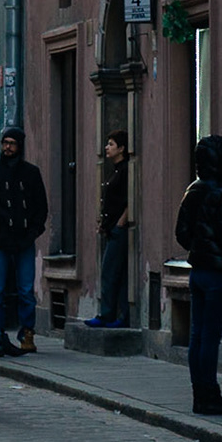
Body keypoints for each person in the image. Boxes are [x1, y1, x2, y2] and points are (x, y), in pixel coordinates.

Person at [175, 135, 222, 415]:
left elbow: (181, 233)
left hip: (198, 273)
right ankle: (209, 395)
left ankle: (200, 394)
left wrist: (199, 249)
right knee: (210, 337)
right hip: (219, 274)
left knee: (197, 336)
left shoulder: (194, 189)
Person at [0, 125, 47, 357]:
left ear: (20, 146)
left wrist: (33, 232)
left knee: (26, 290)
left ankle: (27, 332)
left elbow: (41, 206)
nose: (7, 147)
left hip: (24, 240)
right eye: (5, 143)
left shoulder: (31, 173)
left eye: (12, 143)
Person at [85, 131, 131, 328]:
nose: (106, 147)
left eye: (111, 144)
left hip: (119, 230)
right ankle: (119, 315)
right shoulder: (116, 170)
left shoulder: (126, 169)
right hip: (111, 229)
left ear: (121, 148)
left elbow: (130, 199)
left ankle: (108, 315)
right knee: (117, 273)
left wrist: (121, 222)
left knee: (109, 271)